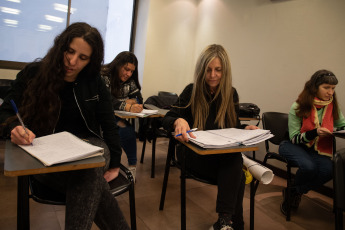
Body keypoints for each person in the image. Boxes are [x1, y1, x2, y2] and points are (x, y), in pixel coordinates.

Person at [0, 22, 130, 230]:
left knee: (92, 166)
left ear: (91, 61)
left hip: (91, 147)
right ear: (61, 46)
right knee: (90, 176)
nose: (72, 61)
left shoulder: (94, 81)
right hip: (44, 152)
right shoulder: (33, 74)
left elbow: (108, 124)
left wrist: (115, 163)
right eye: (69, 52)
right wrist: (13, 128)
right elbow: (5, 111)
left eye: (83, 58)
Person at [162, 44, 259, 230]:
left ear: (225, 71)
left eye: (218, 70)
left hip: (221, 156)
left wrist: (245, 128)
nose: (213, 75)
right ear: (201, 70)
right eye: (208, 70)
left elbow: (232, 126)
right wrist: (179, 121)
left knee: (235, 166)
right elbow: (168, 117)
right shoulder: (191, 91)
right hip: (193, 155)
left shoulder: (231, 93)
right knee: (236, 169)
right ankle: (231, 223)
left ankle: (225, 222)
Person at [279, 70, 345, 216]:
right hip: (291, 145)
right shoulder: (298, 106)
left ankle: (294, 191)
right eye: (326, 87)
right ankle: (293, 195)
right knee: (309, 167)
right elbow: (294, 138)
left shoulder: (332, 106)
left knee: (330, 169)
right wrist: (315, 132)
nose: (330, 92)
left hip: (314, 149)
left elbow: (342, 125)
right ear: (315, 87)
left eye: (333, 88)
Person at [101, 51, 143, 181]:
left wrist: (131, 103)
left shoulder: (130, 81)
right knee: (121, 129)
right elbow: (106, 101)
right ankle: (108, 166)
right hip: (101, 116)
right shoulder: (104, 75)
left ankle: (132, 167)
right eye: (126, 69)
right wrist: (126, 103)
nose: (128, 74)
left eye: (131, 71)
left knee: (127, 130)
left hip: (118, 117)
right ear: (118, 64)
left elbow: (139, 99)